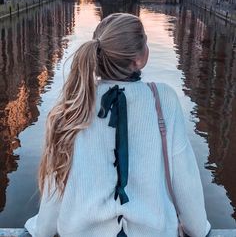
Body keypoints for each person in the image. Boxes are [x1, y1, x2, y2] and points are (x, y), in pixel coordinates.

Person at [25, 13, 211, 237]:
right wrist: (197, 229)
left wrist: (42, 230)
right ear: (139, 59)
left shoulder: (74, 105)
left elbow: (57, 183)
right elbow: (185, 179)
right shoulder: (164, 100)